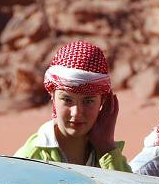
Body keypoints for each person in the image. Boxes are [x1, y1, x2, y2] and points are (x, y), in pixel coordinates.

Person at [15, 40, 131, 171]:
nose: (76, 113)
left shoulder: (107, 154)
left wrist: (106, 148)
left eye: (88, 101)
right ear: (52, 96)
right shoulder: (31, 159)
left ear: (103, 101)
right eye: (67, 100)